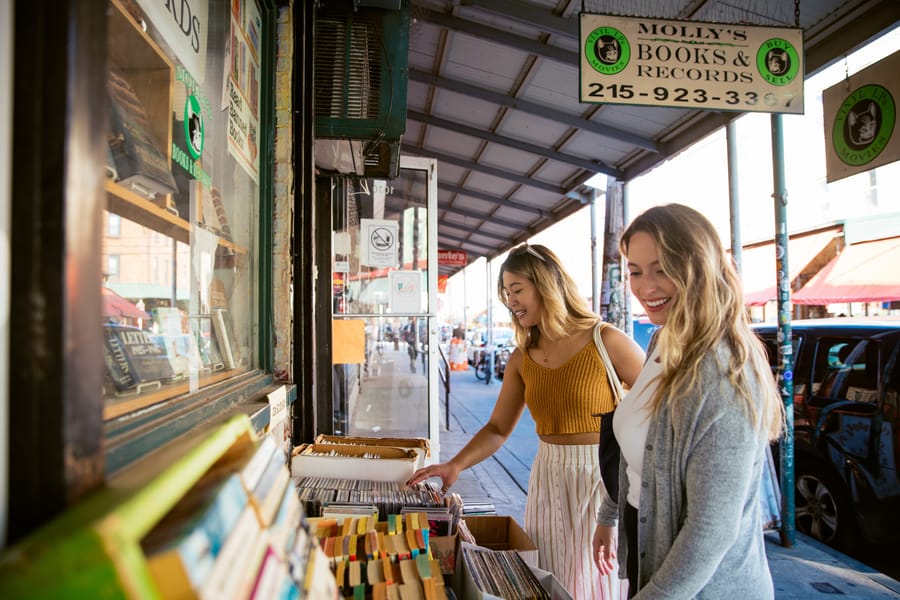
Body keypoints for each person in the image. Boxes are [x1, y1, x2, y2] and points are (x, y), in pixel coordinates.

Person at [407, 243, 645, 599]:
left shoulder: (607, 341)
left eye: (517, 289)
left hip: (602, 481)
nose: (511, 300)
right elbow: (498, 429)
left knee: (599, 586)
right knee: (549, 581)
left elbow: (656, 412)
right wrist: (455, 465)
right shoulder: (522, 358)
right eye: (506, 293)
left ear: (547, 284)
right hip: (547, 480)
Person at [592, 204, 786, 599]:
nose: (646, 286)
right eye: (635, 271)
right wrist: (609, 516)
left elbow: (710, 531)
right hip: (653, 563)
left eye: (663, 268)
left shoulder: (722, 374)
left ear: (699, 267)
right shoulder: (664, 341)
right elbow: (638, 447)